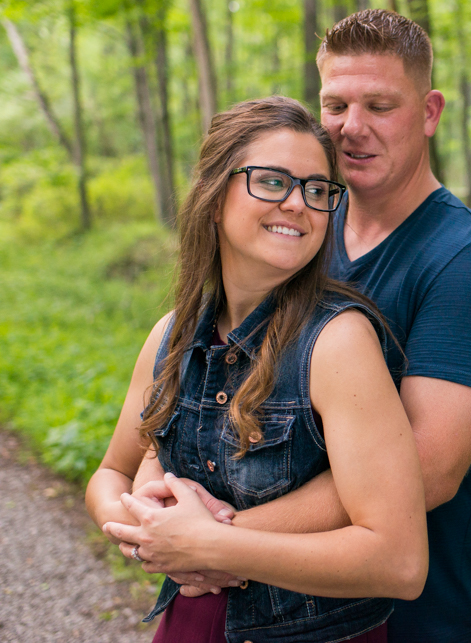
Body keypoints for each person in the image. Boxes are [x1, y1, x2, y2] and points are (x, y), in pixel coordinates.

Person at [147, 9, 471, 642]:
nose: (353, 128)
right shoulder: (304, 228)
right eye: (335, 104)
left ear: (429, 112)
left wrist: (216, 537)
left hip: (431, 610)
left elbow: (425, 471)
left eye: (380, 105)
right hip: (292, 603)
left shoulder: (469, 264)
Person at [85, 95, 428, 643]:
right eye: (272, 181)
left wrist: (213, 546)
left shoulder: (337, 343)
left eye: (317, 190)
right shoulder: (171, 335)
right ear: (214, 198)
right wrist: (140, 529)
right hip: (188, 624)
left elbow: (399, 561)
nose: (298, 204)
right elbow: (111, 474)